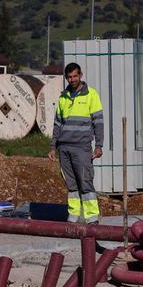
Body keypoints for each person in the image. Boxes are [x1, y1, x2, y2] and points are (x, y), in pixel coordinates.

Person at [47, 62, 105, 224]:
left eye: (75, 76)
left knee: (85, 182)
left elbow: (98, 122)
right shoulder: (63, 97)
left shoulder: (91, 95)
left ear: (81, 75)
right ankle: (73, 217)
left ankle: (92, 218)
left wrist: (99, 145)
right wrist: (53, 146)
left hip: (82, 147)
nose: (72, 79)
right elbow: (57, 124)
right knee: (71, 185)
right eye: (69, 77)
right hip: (64, 147)